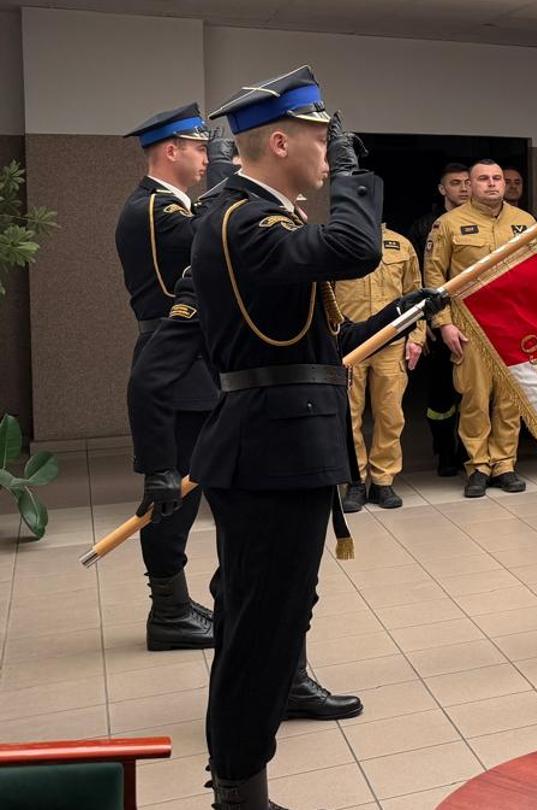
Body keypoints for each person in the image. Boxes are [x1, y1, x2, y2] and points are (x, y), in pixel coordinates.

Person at [158, 65, 444, 808]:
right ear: (279, 140)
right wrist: (353, 176)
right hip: (269, 451)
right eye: (325, 141)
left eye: (335, 146)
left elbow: (313, 339)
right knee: (258, 627)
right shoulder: (243, 221)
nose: (332, 153)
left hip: (282, 443)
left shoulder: (252, 217)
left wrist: (403, 312)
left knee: (271, 615)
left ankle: (249, 763)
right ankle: (241, 793)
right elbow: (354, 249)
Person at [116, 102, 217, 652]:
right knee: (171, 495)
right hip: (174, 358)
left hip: (188, 358)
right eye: (201, 148)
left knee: (190, 491)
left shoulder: (167, 205)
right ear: (171, 150)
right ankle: (169, 611)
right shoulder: (156, 210)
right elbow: (207, 240)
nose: (208, 157)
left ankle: (175, 602)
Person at [424, 159, 536, 498]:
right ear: (469, 186)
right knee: (474, 398)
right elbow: (434, 279)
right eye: (483, 179)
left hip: (514, 326)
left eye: (497, 178)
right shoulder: (448, 224)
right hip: (469, 326)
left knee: (510, 400)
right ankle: (477, 465)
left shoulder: (526, 222)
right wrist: (443, 325)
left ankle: (504, 464)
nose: (492, 184)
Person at [337, 224, 428, 511]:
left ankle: (383, 481)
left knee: (390, 415)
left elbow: (416, 294)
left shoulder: (400, 244)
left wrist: (416, 336)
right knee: (348, 417)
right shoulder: (336, 241)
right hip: (349, 346)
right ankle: (354, 481)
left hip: (392, 344)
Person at [408, 163, 469, 477]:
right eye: (455, 183)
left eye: (466, 182)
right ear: (442, 189)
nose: (463, 188)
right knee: (441, 394)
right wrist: (426, 322)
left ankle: (468, 453)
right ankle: (444, 452)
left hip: (473, 324)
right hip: (439, 322)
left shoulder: (483, 222)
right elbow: (418, 279)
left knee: (471, 394)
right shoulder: (425, 226)